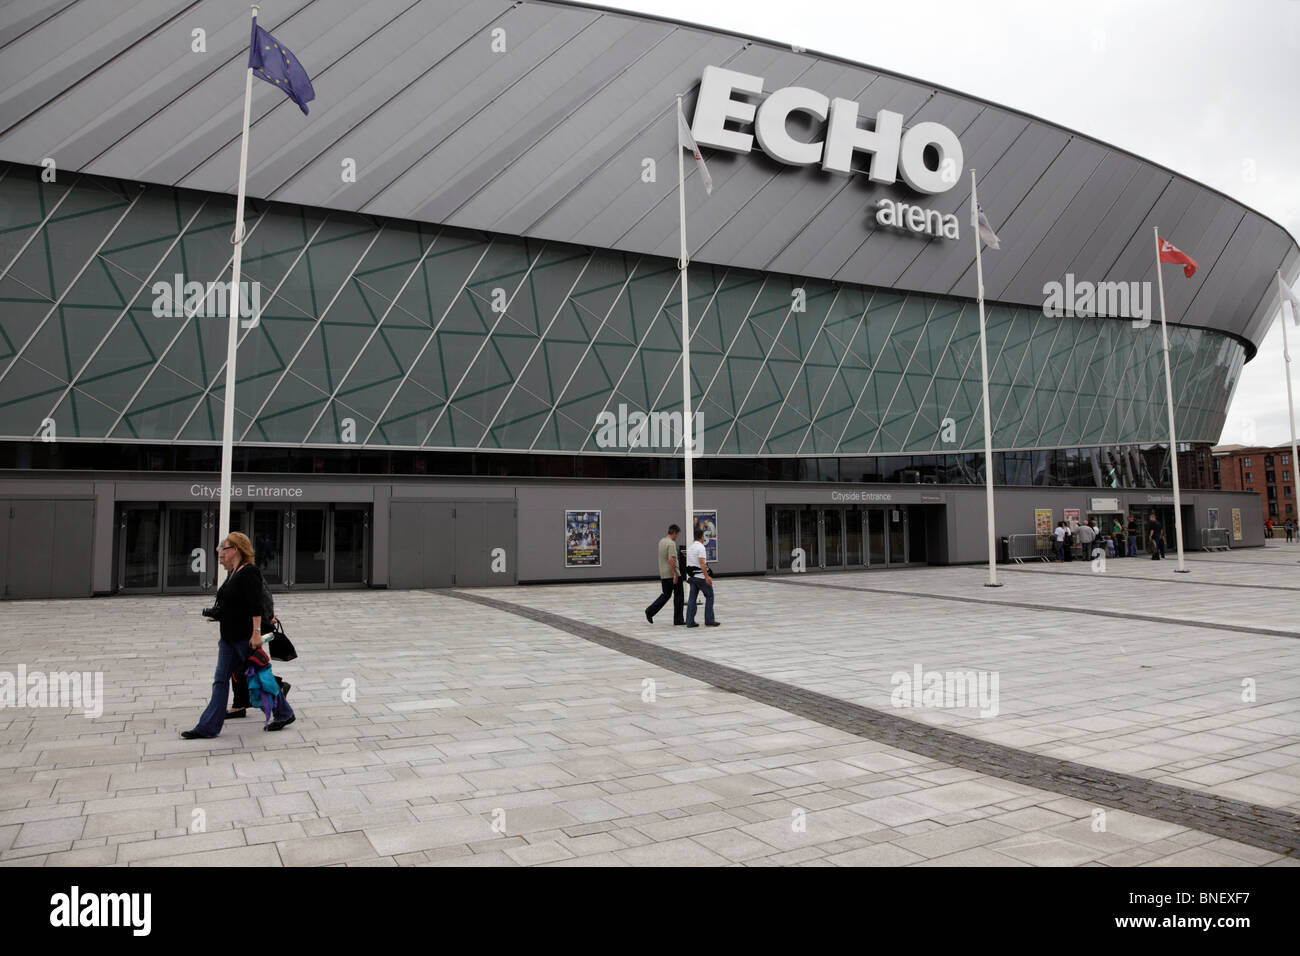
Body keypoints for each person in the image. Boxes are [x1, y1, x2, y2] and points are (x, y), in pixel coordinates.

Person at [182, 532, 295, 739]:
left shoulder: (249, 572)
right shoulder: (232, 573)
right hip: (228, 638)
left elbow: (255, 606)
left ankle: (284, 713)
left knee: (261, 677)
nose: (220, 554)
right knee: (220, 681)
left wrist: (256, 634)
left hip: (245, 637)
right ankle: (208, 727)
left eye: (223, 549)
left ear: (235, 549)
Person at [645, 524, 684, 626]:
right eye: (677, 535)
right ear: (675, 533)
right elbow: (671, 559)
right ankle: (678, 620)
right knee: (679, 597)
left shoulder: (661, 541)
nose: (677, 537)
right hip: (673, 574)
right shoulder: (671, 544)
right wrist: (675, 574)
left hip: (664, 574)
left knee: (666, 595)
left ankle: (650, 611)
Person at [684, 525, 719, 628]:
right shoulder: (701, 547)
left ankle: (689, 621)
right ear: (701, 537)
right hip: (701, 578)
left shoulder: (690, 548)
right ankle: (709, 620)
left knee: (692, 599)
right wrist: (707, 577)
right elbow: (702, 563)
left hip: (692, 578)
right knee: (710, 596)